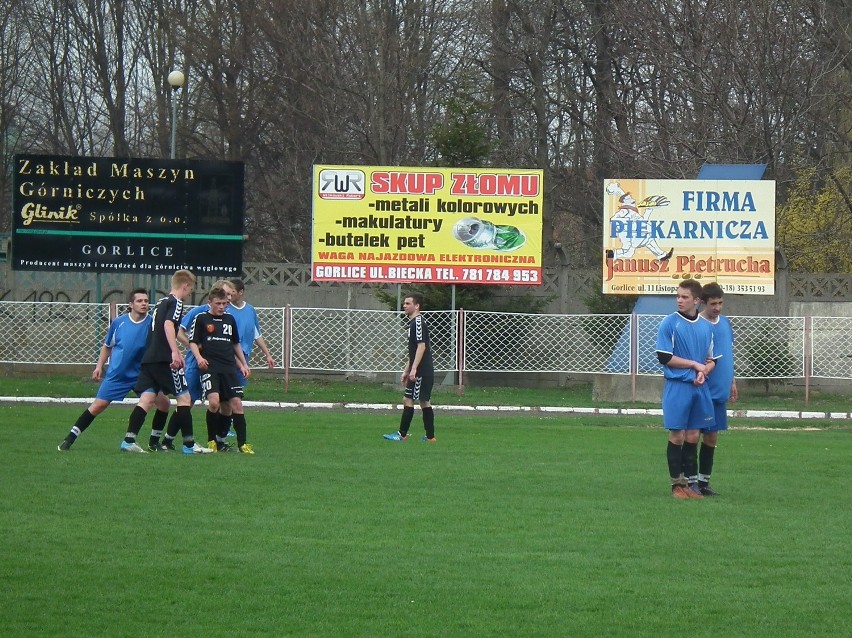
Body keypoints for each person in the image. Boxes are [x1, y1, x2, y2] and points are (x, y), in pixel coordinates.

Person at [57, 289, 170, 451]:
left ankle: (153, 443)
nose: (144, 303)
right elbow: (107, 346)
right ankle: (69, 439)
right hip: (118, 375)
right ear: (131, 305)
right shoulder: (119, 323)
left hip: (142, 375)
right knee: (97, 406)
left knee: (164, 403)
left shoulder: (152, 324)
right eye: (139, 301)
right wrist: (99, 366)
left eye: (146, 301)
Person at [120, 269, 211, 454]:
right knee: (184, 398)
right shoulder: (176, 303)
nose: (189, 293)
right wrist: (175, 352)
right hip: (164, 359)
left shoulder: (161, 302)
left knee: (146, 399)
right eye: (190, 289)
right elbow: (169, 325)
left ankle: (129, 440)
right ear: (185, 286)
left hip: (150, 358)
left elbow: (169, 329)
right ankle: (189, 444)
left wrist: (190, 344)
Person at [655, 279, 718, 499]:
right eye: (678, 296)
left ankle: (690, 486)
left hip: (698, 387)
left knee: (693, 435)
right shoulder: (669, 323)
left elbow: (711, 359)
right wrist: (693, 365)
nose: (679, 300)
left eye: (684, 297)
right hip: (678, 386)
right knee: (677, 435)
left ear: (697, 300)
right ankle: (676, 486)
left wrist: (704, 371)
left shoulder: (706, 328)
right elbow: (664, 357)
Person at [187, 286, 254, 454]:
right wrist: (199, 358)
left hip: (229, 367)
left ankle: (241, 444)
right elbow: (193, 342)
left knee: (235, 404)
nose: (222, 307)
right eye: (218, 303)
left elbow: (235, 344)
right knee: (215, 402)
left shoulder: (230, 320)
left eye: (225, 304)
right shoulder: (202, 318)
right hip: (210, 367)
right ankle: (211, 441)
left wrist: (243, 364)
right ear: (210, 303)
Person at [218, 278, 275, 438]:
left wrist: (267, 354)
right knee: (230, 395)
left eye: (232, 293)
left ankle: (224, 426)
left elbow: (257, 334)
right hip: (229, 357)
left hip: (243, 357)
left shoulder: (250, 310)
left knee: (233, 394)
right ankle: (226, 427)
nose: (228, 297)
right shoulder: (226, 311)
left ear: (241, 292)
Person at [698, 282, 738, 496]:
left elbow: (727, 353)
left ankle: (704, 482)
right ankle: (689, 481)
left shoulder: (725, 323)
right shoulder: (696, 324)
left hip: (720, 390)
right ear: (703, 303)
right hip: (701, 389)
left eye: (720, 303)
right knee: (692, 435)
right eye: (713, 303)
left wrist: (732, 381)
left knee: (712, 437)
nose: (718, 307)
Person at [383, 293, 436, 442]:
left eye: (408, 303)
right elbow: (413, 352)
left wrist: (414, 369)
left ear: (417, 306)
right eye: (404, 303)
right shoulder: (412, 323)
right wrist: (406, 370)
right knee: (424, 401)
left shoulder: (418, 322)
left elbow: (421, 347)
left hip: (421, 370)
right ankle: (430, 437)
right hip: (420, 369)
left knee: (408, 399)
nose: (404, 306)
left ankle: (402, 434)